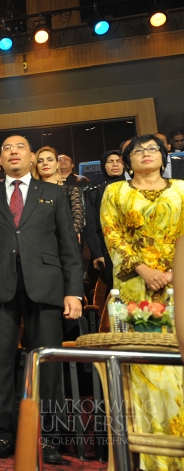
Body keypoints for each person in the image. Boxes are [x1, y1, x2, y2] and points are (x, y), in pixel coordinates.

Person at [0, 135, 82, 464]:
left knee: (46, 364)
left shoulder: (54, 193)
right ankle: (3, 431)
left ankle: (49, 436)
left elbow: (68, 250)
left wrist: (73, 290)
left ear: (33, 157)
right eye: (6, 148)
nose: (13, 152)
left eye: (19, 148)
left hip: (45, 286)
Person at [100, 134, 184, 470]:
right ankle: (149, 459)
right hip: (134, 291)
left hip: (179, 288)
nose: (146, 154)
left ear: (164, 157)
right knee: (144, 372)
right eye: (138, 150)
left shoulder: (181, 189)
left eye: (153, 150)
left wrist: (170, 272)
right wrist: (145, 269)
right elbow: (113, 236)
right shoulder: (115, 192)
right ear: (126, 160)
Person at [83, 150, 125, 306]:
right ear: (103, 166)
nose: (115, 164)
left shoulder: (133, 186)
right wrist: (97, 253)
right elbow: (93, 225)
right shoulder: (96, 192)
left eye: (118, 161)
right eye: (110, 161)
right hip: (109, 252)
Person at [33, 146, 85, 237]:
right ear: (36, 166)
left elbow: (78, 219)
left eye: (50, 160)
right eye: (40, 161)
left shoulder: (70, 190)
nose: (45, 163)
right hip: (39, 243)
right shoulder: (32, 192)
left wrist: (66, 237)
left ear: (57, 164)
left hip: (66, 242)